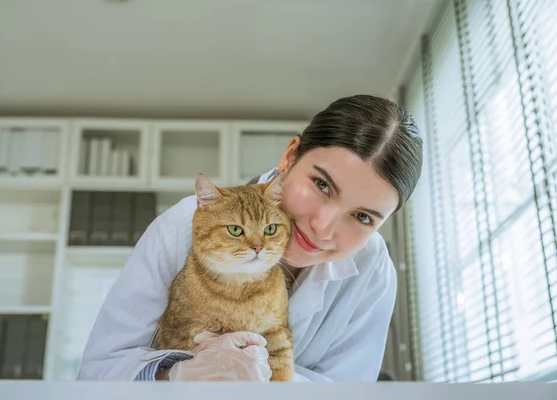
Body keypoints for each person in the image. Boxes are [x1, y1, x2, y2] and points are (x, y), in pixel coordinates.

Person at [77, 94, 423, 382]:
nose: (323, 227)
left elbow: (349, 388)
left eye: (362, 217)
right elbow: (98, 372)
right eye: (321, 184)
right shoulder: (185, 223)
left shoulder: (372, 268)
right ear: (290, 156)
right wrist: (179, 375)